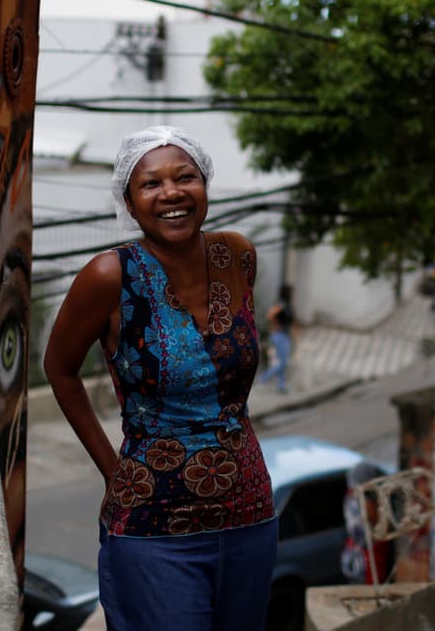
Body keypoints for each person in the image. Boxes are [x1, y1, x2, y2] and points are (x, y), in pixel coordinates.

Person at [44, 126, 277, 631]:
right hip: (153, 522)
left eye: (185, 177)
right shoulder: (110, 275)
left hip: (250, 513)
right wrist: (111, 469)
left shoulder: (238, 255)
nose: (171, 193)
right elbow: (58, 370)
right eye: (150, 184)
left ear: (205, 186)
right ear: (129, 203)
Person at [259, 284, 295, 394]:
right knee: (282, 362)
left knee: (282, 361)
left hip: (284, 336)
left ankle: (281, 385)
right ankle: (263, 378)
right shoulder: (282, 305)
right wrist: (276, 324)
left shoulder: (287, 305)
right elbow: (270, 315)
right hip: (279, 336)